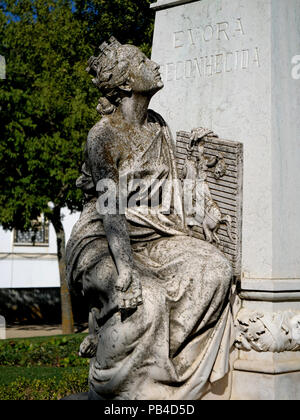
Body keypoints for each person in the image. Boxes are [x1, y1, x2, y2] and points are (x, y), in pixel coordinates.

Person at [66, 37, 233, 400]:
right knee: (148, 298)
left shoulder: (158, 126)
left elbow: (171, 190)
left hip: (154, 234)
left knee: (216, 270)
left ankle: (171, 370)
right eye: (143, 61)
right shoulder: (103, 136)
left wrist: (196, 166)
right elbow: (110, 209)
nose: (154, 64)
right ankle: (120, 388)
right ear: (126, 83)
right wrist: (125, 268)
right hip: (102, 239)